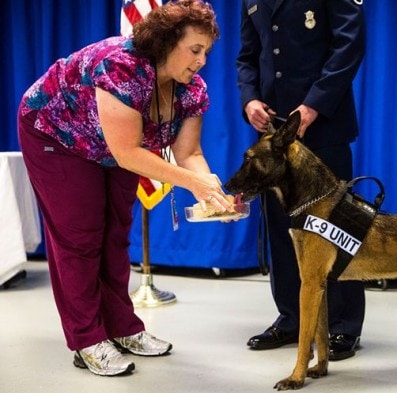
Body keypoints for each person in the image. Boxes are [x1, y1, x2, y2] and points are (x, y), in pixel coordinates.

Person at [17, 0, 230, 377]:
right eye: (195, 50)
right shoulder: (123, 66)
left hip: (111, 146)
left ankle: (121, 327)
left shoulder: (191, 88)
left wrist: (209, 190)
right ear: (167, 42)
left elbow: (189, 152)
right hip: (56, 133)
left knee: (115, 234)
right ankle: (86, 339)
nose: (201, 61)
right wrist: (193, 182)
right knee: (80, 237)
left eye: (206, 52)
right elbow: (128, 151)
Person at [236, 0, 367, 361]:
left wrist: (313, 104)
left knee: (336, 227)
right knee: (282, 228)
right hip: (274, 131)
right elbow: (248, 56)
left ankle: (343, 324)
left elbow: (349, 44)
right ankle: (293, 318)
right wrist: (250, 100)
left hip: (323, 123)